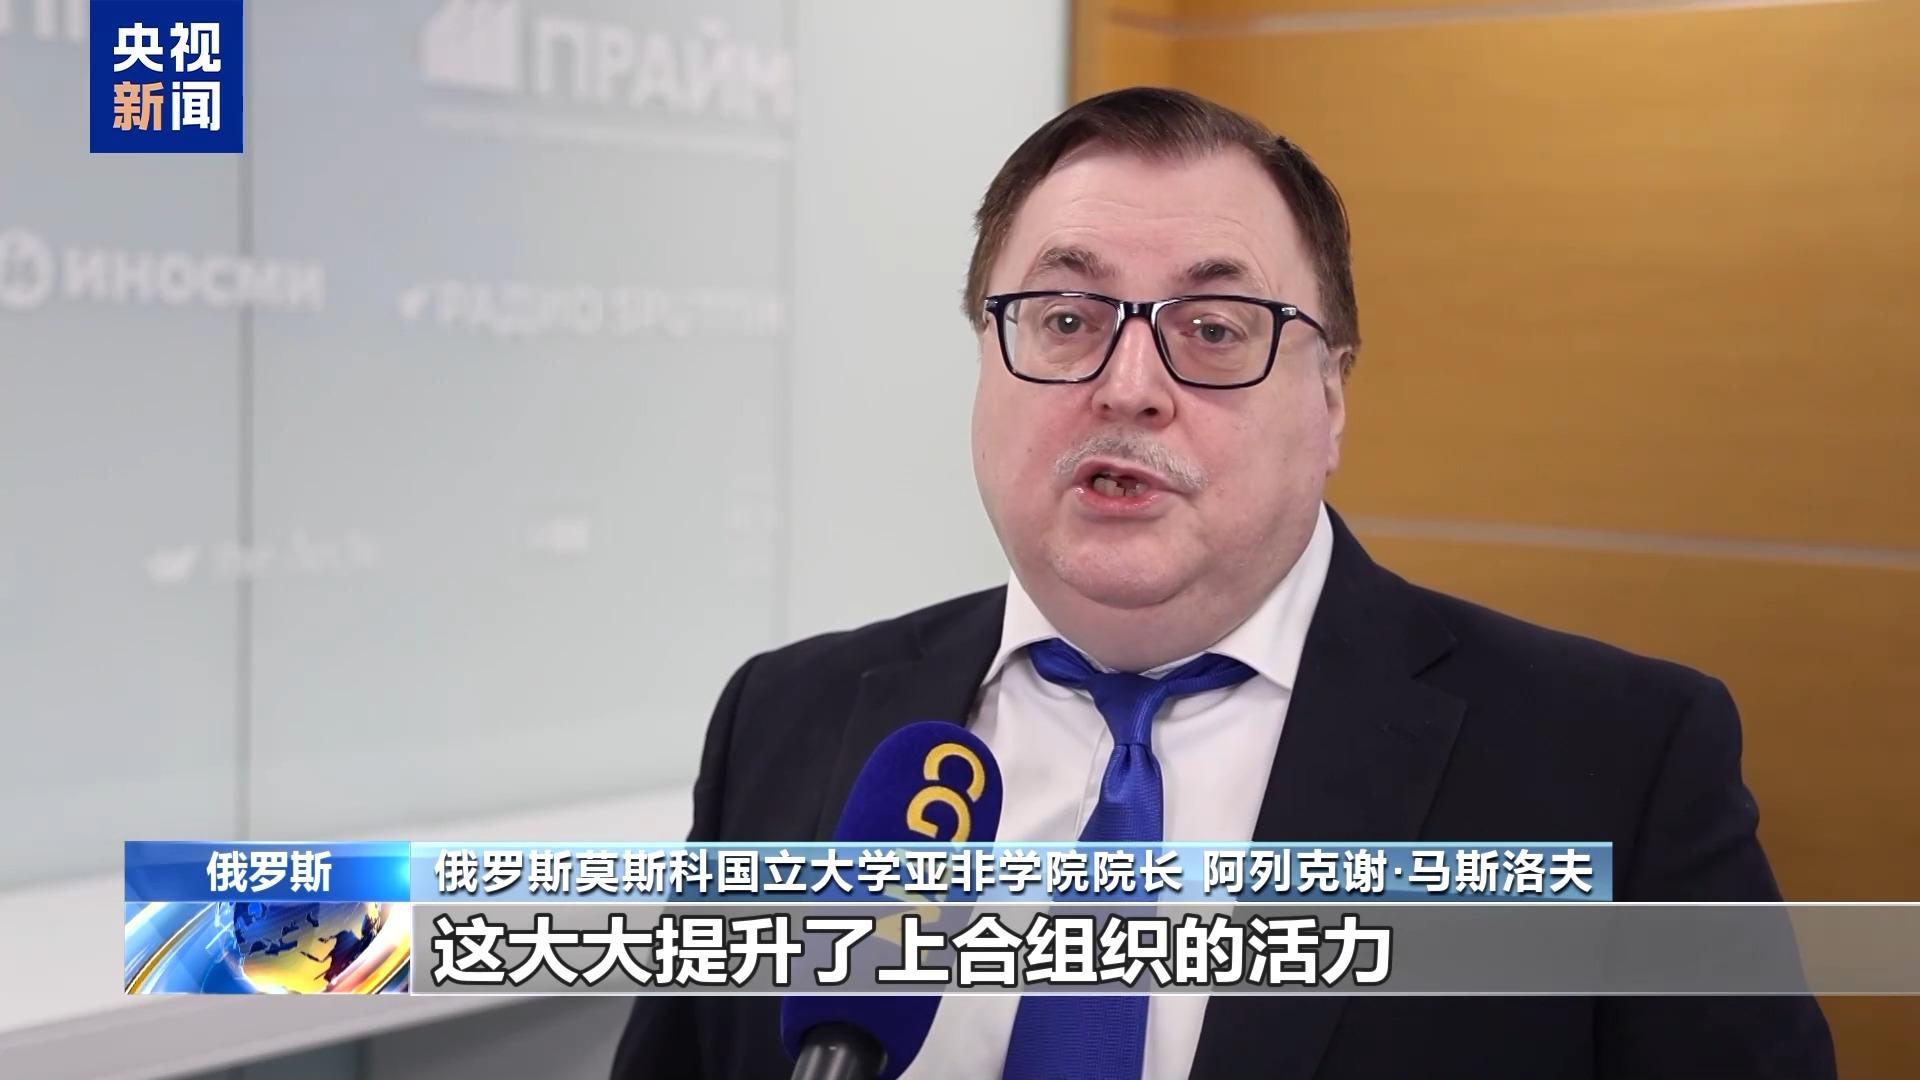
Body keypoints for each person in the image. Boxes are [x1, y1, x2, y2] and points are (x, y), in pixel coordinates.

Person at [612, 86, 1835, 1080]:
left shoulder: (1615, 766)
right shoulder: (787, 718)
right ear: (986, 356)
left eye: (1213, 329)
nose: (1128, 386)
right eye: (1064, 318)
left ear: (1331, 397)